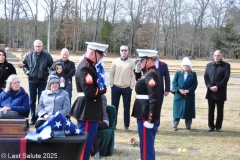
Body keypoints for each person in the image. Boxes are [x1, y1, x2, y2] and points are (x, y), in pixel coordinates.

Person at [70, 42, 108, 160]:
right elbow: (90, 92)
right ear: (92, 52)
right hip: (87, 109)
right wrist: (103, 89)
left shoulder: (90, 66)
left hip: (90, 109)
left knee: (89, 141)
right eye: (100, 54)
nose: (101, 57)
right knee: (85, 142)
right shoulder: (85, 67)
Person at [132, 49, 161, 160]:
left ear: (149, 60)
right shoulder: (148, 73)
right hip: (143, 112)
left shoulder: (151, 74)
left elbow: (154, 98)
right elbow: (141, 85)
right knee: (145, 145)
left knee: (146, 146)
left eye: (142, 60)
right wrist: (138, 72)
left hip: (146, 114)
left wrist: (150, 119)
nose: (140, 63)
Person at [22, 39, 53, 125]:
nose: (37, 48)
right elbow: (24, 65)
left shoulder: (47, 56)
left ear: (42, 47)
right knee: (32, 100)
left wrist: (45, 73)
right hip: (32, 81)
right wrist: (28, 72)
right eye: (36, 46)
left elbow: (52, 67)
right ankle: (33, 117)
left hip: (42, 81)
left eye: (39, 46)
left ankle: (40, 117)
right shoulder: (29, 55)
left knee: (41, 100)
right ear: (34, 46)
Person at [109, 45, 135, 132]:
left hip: (127, 88)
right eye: (122, 50)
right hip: (116, 87)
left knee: (126, 108)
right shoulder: (115, 61)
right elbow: (111, 74)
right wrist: (112, 85)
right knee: (114, 108)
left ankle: (126, 126)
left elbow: (133, 75)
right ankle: (113, 125)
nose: (124, 52)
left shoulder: (131, 62)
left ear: (128, 51)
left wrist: (131, 86)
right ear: (120, 51)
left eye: (125, 50)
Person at [204, 50, 230, 132]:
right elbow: (206, 77)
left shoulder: (226, 66)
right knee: (210, 110)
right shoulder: (208, 65)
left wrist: (217, 86)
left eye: (218, 55)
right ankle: (210, 126)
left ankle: (218, 126)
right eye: (215, 55)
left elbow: (226, 78)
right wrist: (209, 86)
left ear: (222, 56)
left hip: (220, 91)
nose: (216, 57)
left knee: (220, 110)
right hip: (210, 91)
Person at [172, 57, 198, 131]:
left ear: (189, 66)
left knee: (188, 111)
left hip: (189, 95)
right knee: (177, 111)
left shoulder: (193, 74)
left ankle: (188, 126)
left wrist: (188, 90)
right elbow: (174, 82)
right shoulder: (178, 73)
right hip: (179, 95)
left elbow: (194, 84)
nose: (185, 67)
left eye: (187, 66)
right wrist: (178, 90)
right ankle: (175, 125)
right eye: (184, 66)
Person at [91, 95, 109, 160]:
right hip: (91, 121)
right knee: (91, 126)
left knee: (92, 126)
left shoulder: (102, 97)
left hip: (103, 121)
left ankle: (96, 152)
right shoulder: (88, 97)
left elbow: (101, 110)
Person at [155, 58, 170, 130]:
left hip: (159, 90)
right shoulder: (147, 63)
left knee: (158, 108)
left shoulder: (163, 65)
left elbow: (167, 77)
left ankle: (156, 124)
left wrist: (167, 89)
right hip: (148, 90)